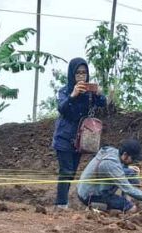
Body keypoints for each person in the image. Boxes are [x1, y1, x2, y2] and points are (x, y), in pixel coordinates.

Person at [52, 57, 107, 209]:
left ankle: (62, 202)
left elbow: (103, 103)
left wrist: (98, 93)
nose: (81, 76)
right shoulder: (65, 91)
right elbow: (62, 109)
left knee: (72, 172)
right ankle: (61, 203)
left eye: (84, 73)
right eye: (78, 73)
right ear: (72, 74)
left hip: (80, 139)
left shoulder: (89, 93)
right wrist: (73, 95)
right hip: (64, 137)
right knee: (66, 170)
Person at [77, 139, 142, 213]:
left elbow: (117, 167)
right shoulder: (110, 164)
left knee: (129, 171)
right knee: (131, 208)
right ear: (125, 155)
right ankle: (98, 210)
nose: (134, 161)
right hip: (90, 195)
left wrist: (128, 167)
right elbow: (128, 189)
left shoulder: (113, 152)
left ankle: (104, 207)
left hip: (87, 189)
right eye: (133, 159)